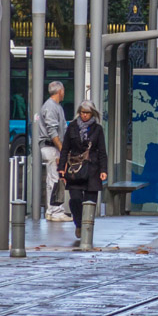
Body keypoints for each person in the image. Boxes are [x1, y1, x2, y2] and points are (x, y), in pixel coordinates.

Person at [60, 100, 108, 239]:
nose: (84, 115)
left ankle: (87, 230)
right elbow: (65, 149)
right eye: (82, 112)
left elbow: (102, 152)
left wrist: (103, 170)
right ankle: (79, 224)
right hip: (75, 170)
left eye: (87, 113)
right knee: (75, 200)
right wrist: (61, 168)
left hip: (92, 170)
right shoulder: (72, 127)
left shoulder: (97, 129)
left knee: (90, 203)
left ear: (92, 113)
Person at [38, 81, 70, 221]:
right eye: (63, 90)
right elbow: (53, 130)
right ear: (60, 91)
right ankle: (56, 211)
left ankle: (51, 210)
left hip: (50, 147)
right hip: (52, 147)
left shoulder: (53, 106)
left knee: (52, 179)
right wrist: (62, 149)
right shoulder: (51, 107)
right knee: (56, 179)